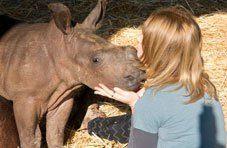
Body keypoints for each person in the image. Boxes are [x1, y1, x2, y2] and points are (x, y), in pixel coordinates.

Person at [90, 6, 226, 148]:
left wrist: (135, 105)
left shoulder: (152, 102)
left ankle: (92, 125)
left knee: (105, 126)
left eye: (143, 38)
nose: (138, 39)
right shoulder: (205, 87)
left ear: (154, 51)